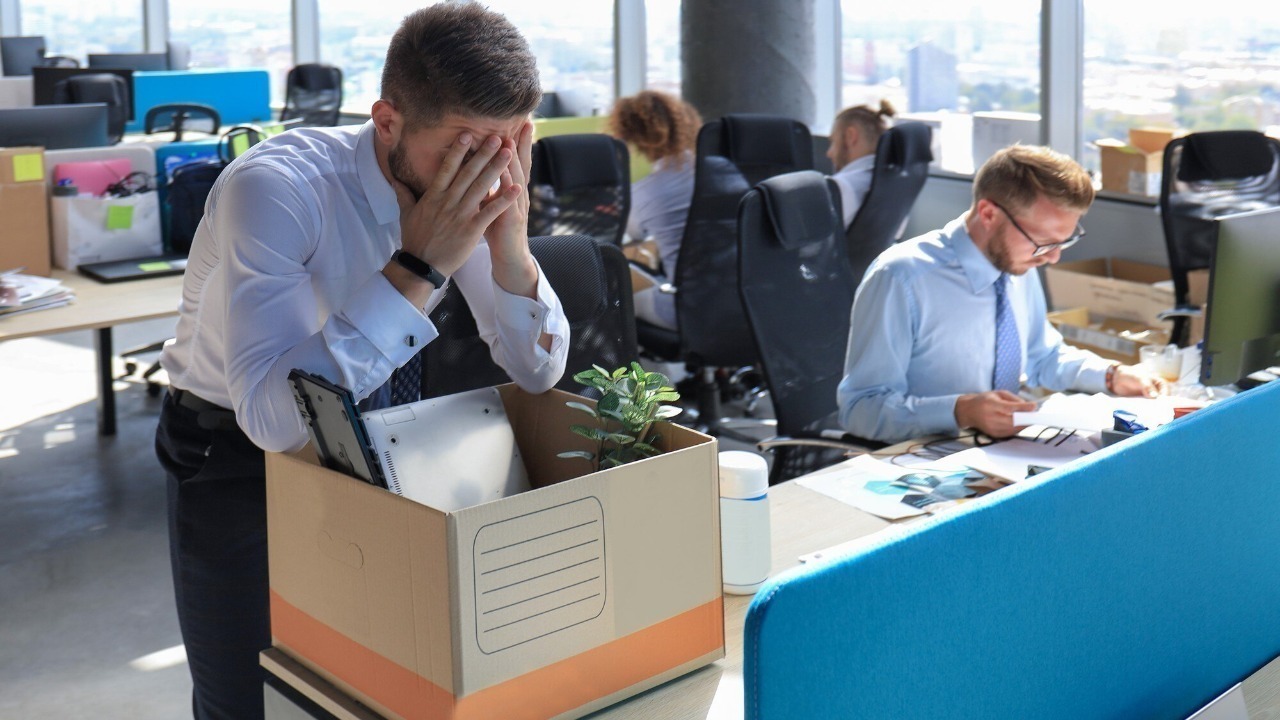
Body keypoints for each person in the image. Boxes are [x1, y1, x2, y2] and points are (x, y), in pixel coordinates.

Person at [153, 6, 569, 719]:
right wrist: (418, 266)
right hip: (233, 456)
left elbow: (537, 371)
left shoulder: (470, 184)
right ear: (387, 122)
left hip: (378, 437)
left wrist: (509, 245)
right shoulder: (278, 189)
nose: (483, 173)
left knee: (369, 686)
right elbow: (274, 421)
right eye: (463, 150)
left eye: (505, 148)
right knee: (248, 696)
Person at [837, 144, 1166, 444]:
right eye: (1044, 242)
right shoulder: (901, 278)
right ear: (989, 214)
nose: (1053, 258)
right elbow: (860, 408)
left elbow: (1042, 355)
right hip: (926, 454)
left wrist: (1110, 375)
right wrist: (961, 411)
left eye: (1064, 241)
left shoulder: (1018, 262)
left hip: (1005, 450)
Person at [606, 90, 702, 330]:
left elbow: (632, 237)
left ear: (630, 136)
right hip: (747, 303)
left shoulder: (644, 194)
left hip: (689, 311)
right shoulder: (723, 172)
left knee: (615, 290)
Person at [827, 99, 895, 229]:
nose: (829, 153)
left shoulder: (840, 187)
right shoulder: (893, 182)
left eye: (833, 142)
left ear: (850, 136)